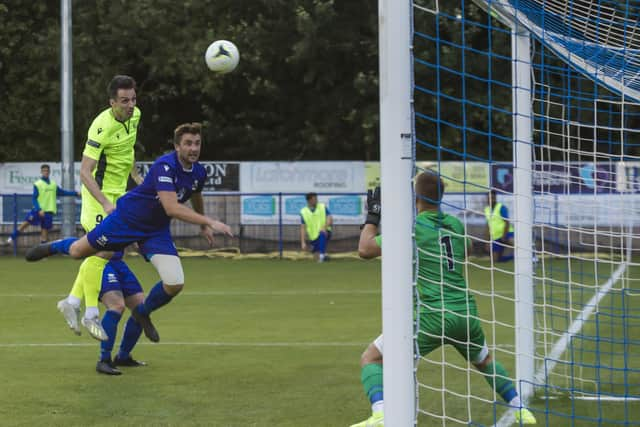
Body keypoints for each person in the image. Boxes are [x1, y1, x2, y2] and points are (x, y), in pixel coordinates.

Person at [351, 174, 536, 426]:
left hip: (431, 317)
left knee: (372, 358)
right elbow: (467, 249)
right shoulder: (456, 225)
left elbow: (365, 250)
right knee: (484, 361)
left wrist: (373, 216)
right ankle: (520, 409)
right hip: (464, 313)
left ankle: (381, 413)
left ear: (414, 197)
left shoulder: (412, 228)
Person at [26, 122, 234, 344]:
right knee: (79, 251)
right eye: (188, 144)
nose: (193, 148)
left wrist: (202, 224)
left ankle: (142, 312)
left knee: (175, 282)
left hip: (155, 231)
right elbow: (171, 208)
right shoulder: (164, 166)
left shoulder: (199, 172)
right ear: (177, 146)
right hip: (127, 220)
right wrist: (209, 221)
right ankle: (52, 246)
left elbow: (195, 194)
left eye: (197, 143)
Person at [56, 75, 143, 342]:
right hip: (99, 199)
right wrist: (105, 203)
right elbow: (85, 172)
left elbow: (127, 154)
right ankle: (90, 311)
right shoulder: (100, 126)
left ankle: (71, 301)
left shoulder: (135, 116)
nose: (130, 105)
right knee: (101, 250)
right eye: (124, 101)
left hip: (120, 197)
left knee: (110, 250)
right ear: (112, 102)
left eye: (133, 99)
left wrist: (138, 180)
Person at [94, 252, 147, 375]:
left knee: (141, 309)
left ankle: (123, 357)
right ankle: (104, 360)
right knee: (116, 306)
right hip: (100, 262)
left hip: (119, 263)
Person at [7, 164, 79, 244]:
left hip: (48, 211)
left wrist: (75, 193)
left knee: (44, 232)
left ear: (49, 172)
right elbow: (34, 198)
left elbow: (62, 192)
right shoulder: (38, 184)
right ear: (41, 172)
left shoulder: (53, 184)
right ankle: (10, 239)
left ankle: (42, 253)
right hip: (38, 211)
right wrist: (39, 209)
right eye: (44, 171)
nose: (46, 172)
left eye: (47, 171)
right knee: (25, 224)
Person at [299, 192, 333, 262]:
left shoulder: (322, 207)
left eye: (316, 199)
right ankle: (323, 256)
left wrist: (325, 227)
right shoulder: (303, 211)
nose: (316, 201)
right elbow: (303, 228)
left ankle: (322, 256)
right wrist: (303, 242)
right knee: (315, 256)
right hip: (313, 238)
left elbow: (330, 218)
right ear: (309, 200)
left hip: (325, 232)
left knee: (322, 233)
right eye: (314, 199)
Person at [484, 189, 514, 263]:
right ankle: (512, 258)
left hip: (506, 233)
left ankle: (526, 256)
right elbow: (488, 225)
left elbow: (506, 222)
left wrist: (504, 235)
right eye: (489, 198)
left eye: (492, 198)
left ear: (495, 198)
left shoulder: (501, 207)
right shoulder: (486, 209)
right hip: (495, 237)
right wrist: (487, 241)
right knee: (495, 260)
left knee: (515, 244)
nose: (491, 200)